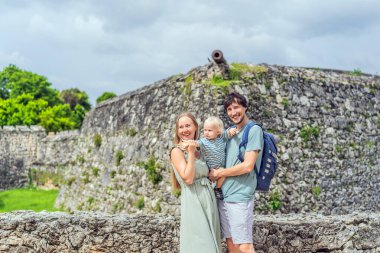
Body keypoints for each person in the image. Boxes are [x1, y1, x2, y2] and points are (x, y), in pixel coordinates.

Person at [209, 92, 264, 253]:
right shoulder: (231, 132)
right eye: (229, 109)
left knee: (245, 246)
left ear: (245, 107)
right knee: (232, 246)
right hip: (224, 196)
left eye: (236, 107)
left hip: (240, 196)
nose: (233, 112)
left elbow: (248, 166)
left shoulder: (253, 130)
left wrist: (220, 173)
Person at [170, 112, 222, 253]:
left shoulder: (202, 148)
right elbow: (188, 178)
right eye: (181, 127)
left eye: (188, 125)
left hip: (209, 200)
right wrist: (191, 153)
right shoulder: (177, 151)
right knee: (202, 246)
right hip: (194, 200)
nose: (185, 129)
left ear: (195, 127)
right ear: (177, 130)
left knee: (213, 243)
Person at [187, 116, 237, 200]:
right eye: (205, 130)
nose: (206, 133)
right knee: (208, 180)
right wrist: (193, 143)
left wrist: (231, 131)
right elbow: (197, 143)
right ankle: (208, 193)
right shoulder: (204, 141)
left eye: (209, 130)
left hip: (220, 167)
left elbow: (228, 133)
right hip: (209, 168)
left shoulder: (221, 138)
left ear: (218, 132)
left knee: (223, 175)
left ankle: (217, 188)